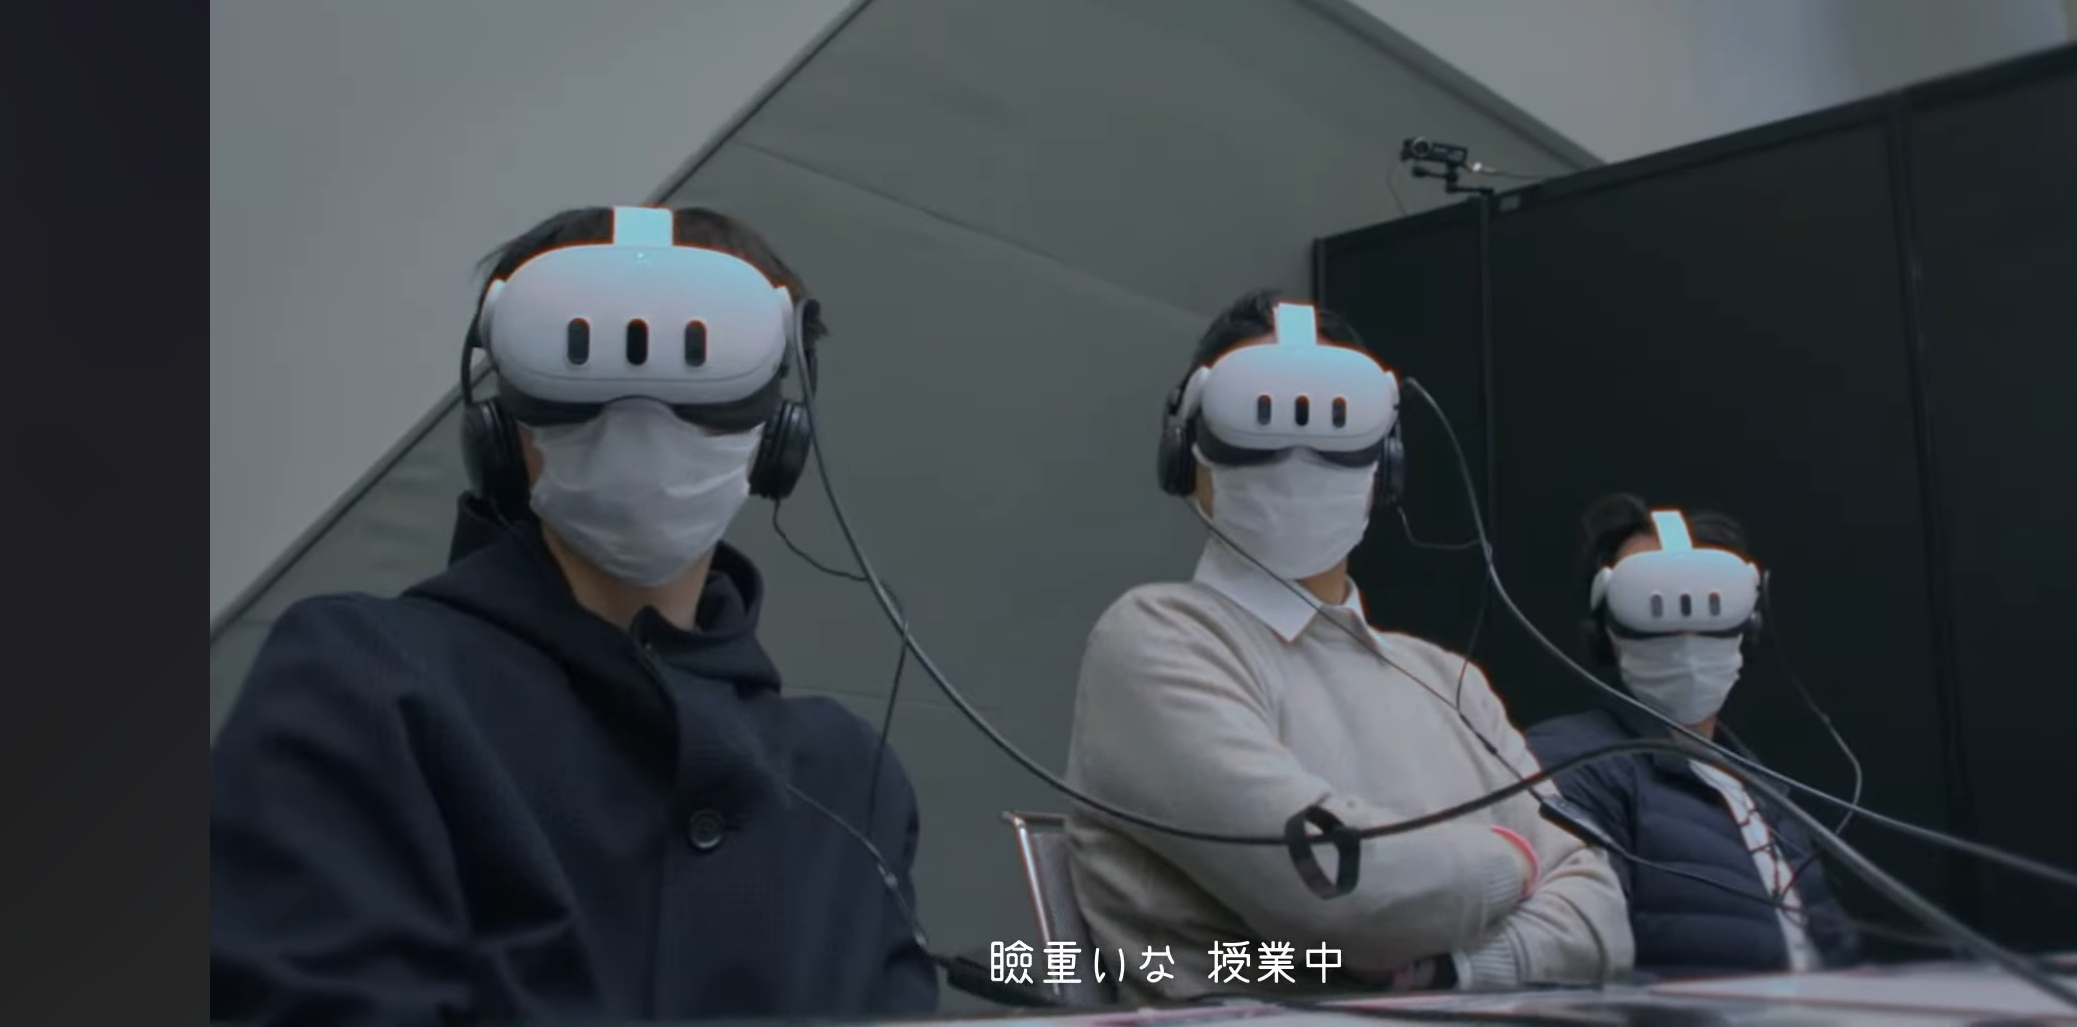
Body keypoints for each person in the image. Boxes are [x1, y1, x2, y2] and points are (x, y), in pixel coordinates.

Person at [209, 206, 938, 1023]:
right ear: (503, 422)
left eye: (700, 376)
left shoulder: (848, 779)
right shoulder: (365, 688)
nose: (644, 422)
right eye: (584, 378)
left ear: (780, 431)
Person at [1064, 290, 1632, 1002]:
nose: (1296, 456)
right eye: (1257, 419)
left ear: (1384, 462)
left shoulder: (1448, 679)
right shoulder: (1156, 640)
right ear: (1186, 452)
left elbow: (1602, 911)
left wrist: (1459, 970)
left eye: (1335, 423)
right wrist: (1515, 860)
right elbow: (1338, 888)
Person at [1523, 493, 1860, 978]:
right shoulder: (1574, 762)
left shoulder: (1762, 790)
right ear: (1605, 631)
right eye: (1651, 601)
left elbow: (1833, 949)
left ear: (1749, 623)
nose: (1683, 628)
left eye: (1709, 603)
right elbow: (1578, 950)